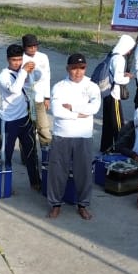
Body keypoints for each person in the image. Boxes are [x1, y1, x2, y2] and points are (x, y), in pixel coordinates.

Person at [47, 54, 101, 220]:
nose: (78, 72)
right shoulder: (59, 87)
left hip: (83, 136)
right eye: (74, 68)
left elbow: (95, 108)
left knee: (84, 172)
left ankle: (83, 205)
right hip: (62, 135)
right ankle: (56, 204)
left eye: (82, 68)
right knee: (57, 171)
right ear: (67, 68)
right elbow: (57, 111)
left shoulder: (92, 87)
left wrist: (73, 107)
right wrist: (79, 114)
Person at [0, 44, 42, 192]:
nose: (17, 63)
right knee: (6, 156)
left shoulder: (23, 71)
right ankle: (5, 184)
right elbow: (15, 89)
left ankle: (35, 182)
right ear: (7, 59)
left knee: (31, 152)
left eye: (19, 59)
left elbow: (35, 80)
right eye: (13, 60)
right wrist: (23, 71)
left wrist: (32, 70)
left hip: (25, 119)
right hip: (8, 121)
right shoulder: (3, 75)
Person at [100, 34, 136, 153]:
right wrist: (128, 78)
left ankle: (106, 147)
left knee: (108, 123)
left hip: (106, 92)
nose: (130, 51)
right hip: (114, 94)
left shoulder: (111, 54)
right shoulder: (119, 58)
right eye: (130, 48)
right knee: (118, 123)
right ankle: (120, 147)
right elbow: (118, 79)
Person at [22, 34, 53, 146]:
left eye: (35, 46)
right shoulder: (20, 58)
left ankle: (46, 156)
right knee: (27, 130)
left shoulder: (43, 57)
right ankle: (28, 158)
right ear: (24, 47)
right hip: (25, 100)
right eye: (30, 47)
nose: (33, 49)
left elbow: (47, 77)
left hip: (39, 99)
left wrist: (47, 97)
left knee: (44, 128)